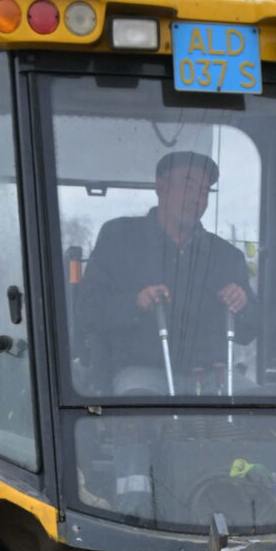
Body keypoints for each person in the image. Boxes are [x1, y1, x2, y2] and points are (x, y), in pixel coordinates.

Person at [81, 148, 251, 393]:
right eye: (189, 187)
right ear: (161, 188)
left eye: (204, 192)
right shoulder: (118, 239)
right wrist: (136, 303)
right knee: (140, 415)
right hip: (141, 374)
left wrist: (242, 303)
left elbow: (250, 331)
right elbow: (88, 312)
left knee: (259, 416)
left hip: (215, 379)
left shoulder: (226, 256)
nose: (197, 199)